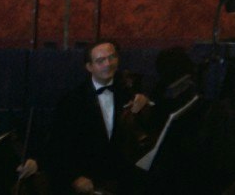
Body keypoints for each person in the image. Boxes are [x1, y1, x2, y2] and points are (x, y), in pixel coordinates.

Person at [50, 40, 156, 195]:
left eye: (112, 57)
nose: (108, 63)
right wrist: (74, 177)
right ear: (89, 67)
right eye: (100, 61)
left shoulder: (128, 91)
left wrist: (146, 102)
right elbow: (59, 147)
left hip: (124, 180)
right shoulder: (72, 101)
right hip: (90, 181)